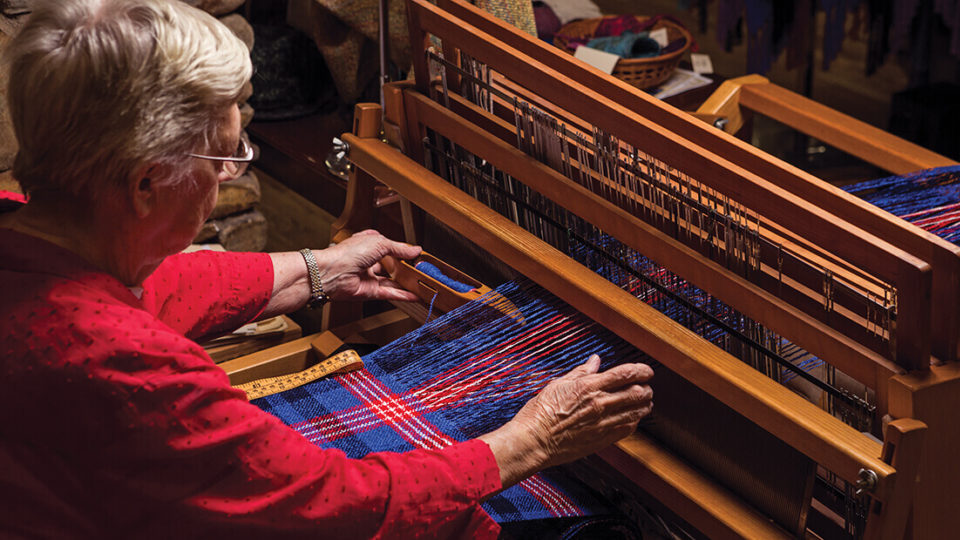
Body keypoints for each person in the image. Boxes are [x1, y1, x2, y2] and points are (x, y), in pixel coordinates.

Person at [0, 0, 654, 537]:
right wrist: (531, 441)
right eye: (228, 158)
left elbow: (139, 289)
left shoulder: (28, 232)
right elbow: (331, 505)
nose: (234, 171)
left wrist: (318, 269)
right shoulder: (122, 370)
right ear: (146, 186)